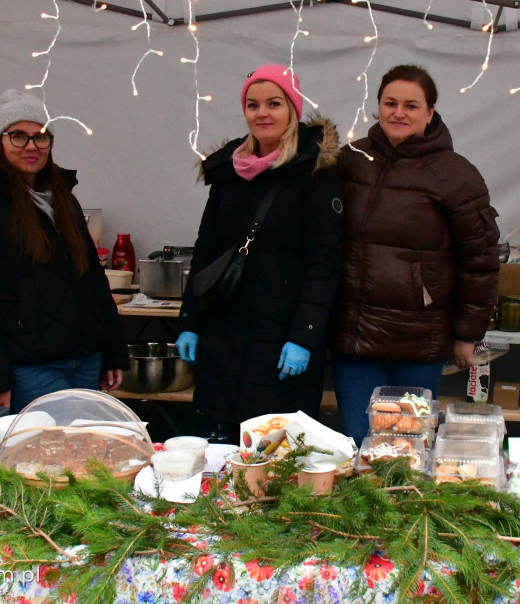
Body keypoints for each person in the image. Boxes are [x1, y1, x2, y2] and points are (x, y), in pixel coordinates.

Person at [329, 64, 501, 443]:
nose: (399, 113)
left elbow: (480, 261)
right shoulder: (351, 159)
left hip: (418, 340)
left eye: (411, 105)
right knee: (359, 440)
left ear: (430, 112)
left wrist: (467, 334)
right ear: (377, 108)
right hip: (355, 337)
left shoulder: (455, 175)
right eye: (390, 103)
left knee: (408, 445)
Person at [175, 65, 343, 443]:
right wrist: (189, 320)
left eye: (274, 103)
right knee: (219, 448)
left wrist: (304, 336)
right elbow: (206, 250)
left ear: (292, 110)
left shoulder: (315, 171)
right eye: (253, 105)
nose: (262, 113)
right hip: (224, 334)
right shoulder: (228, 172)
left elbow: (326, 262)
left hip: (282, 342)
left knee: (273, 452)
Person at [0, 89, 128, 413]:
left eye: (40, 137)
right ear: (1, 141)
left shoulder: (63, 199)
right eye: (18, 136)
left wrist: (112, 349)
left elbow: (93, 279)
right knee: (51, 457)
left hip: (84, 360)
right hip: (30, 368)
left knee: (83, 454)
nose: (31, 146)